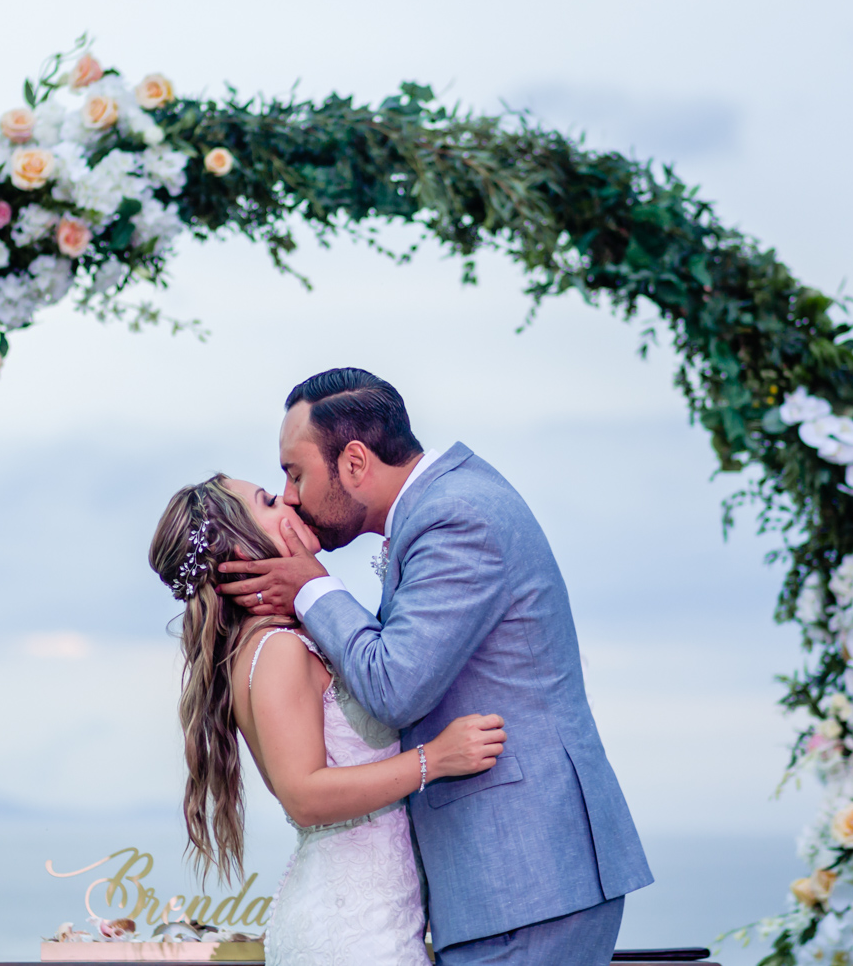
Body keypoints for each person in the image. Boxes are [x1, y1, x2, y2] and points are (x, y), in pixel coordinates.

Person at [216, 368, 653, 966]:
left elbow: (395, 686)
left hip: (526, 879)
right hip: (502, 888)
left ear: (354, 462)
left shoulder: (456, 517)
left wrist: (314, 591)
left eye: (295, 474)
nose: (289, 495)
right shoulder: (443, 508)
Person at [150, 474, 508, 965]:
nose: (289, 501)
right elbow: (304, 795)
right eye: (270, 501)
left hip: (370, 916)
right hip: (353, 932)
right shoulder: (276, 650)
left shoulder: (281, 642)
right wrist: (436, 759)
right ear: (240, 550)